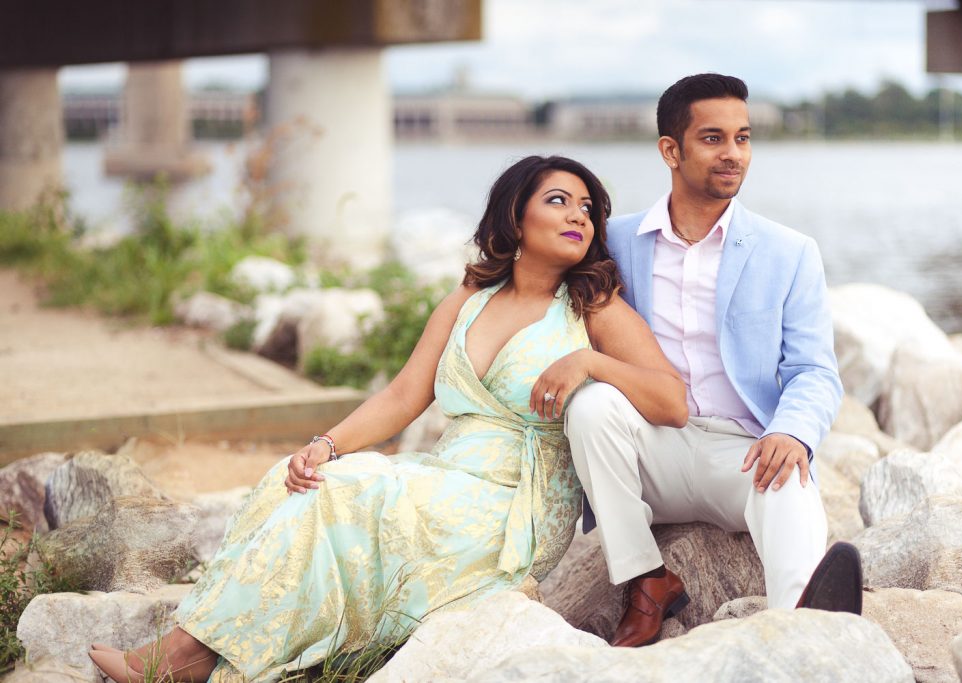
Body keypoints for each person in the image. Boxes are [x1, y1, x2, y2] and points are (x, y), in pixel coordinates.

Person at [89, 155, 689, 683]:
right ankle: (219, 647)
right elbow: (404, 397)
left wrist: (589, 361)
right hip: (447, 474)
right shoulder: (468, 300)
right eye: (558, 201)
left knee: (351, 490)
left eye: (587, 207)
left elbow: (671, 400)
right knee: (296, 478)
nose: (578, 216)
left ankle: (182, 657)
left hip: (513, 509)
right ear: (514, 217)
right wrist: (326, 443)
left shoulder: (592, 307)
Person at [564, 73, 861, 649]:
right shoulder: (613, 242)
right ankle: (646, 579)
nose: (733, 154)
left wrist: (794, 433)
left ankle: (803, 632)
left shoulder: (789, 251)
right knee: (592, 402)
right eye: (713, 138)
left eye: (743, 138)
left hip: (742, 452)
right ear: (670, 150)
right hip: (651, 446)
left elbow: (814, 372)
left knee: (790, 483)